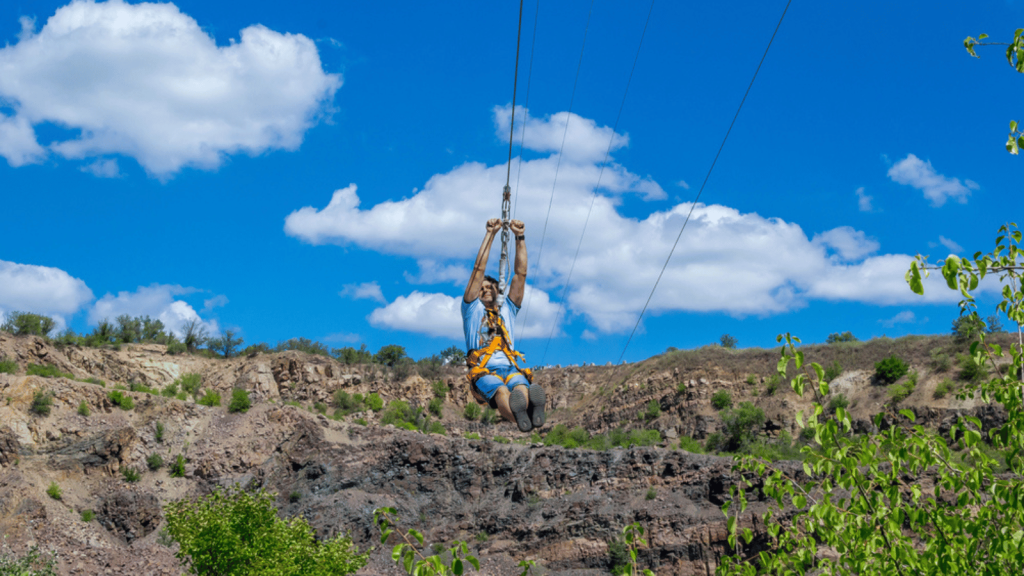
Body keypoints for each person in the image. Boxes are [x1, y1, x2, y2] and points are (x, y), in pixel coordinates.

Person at [462, 218, 545, 432]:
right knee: (500, 392)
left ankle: (529, 411)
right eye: (482, 288)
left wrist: (520, 238)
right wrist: (490, 234)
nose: (486, 289)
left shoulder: (508, 310)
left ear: (498, 291)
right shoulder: (472, 310)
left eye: (491, 287)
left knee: (521, 388)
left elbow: (520, 275)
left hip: (510, 365)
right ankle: (521, 420)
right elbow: (477, 269)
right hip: (484, 368)